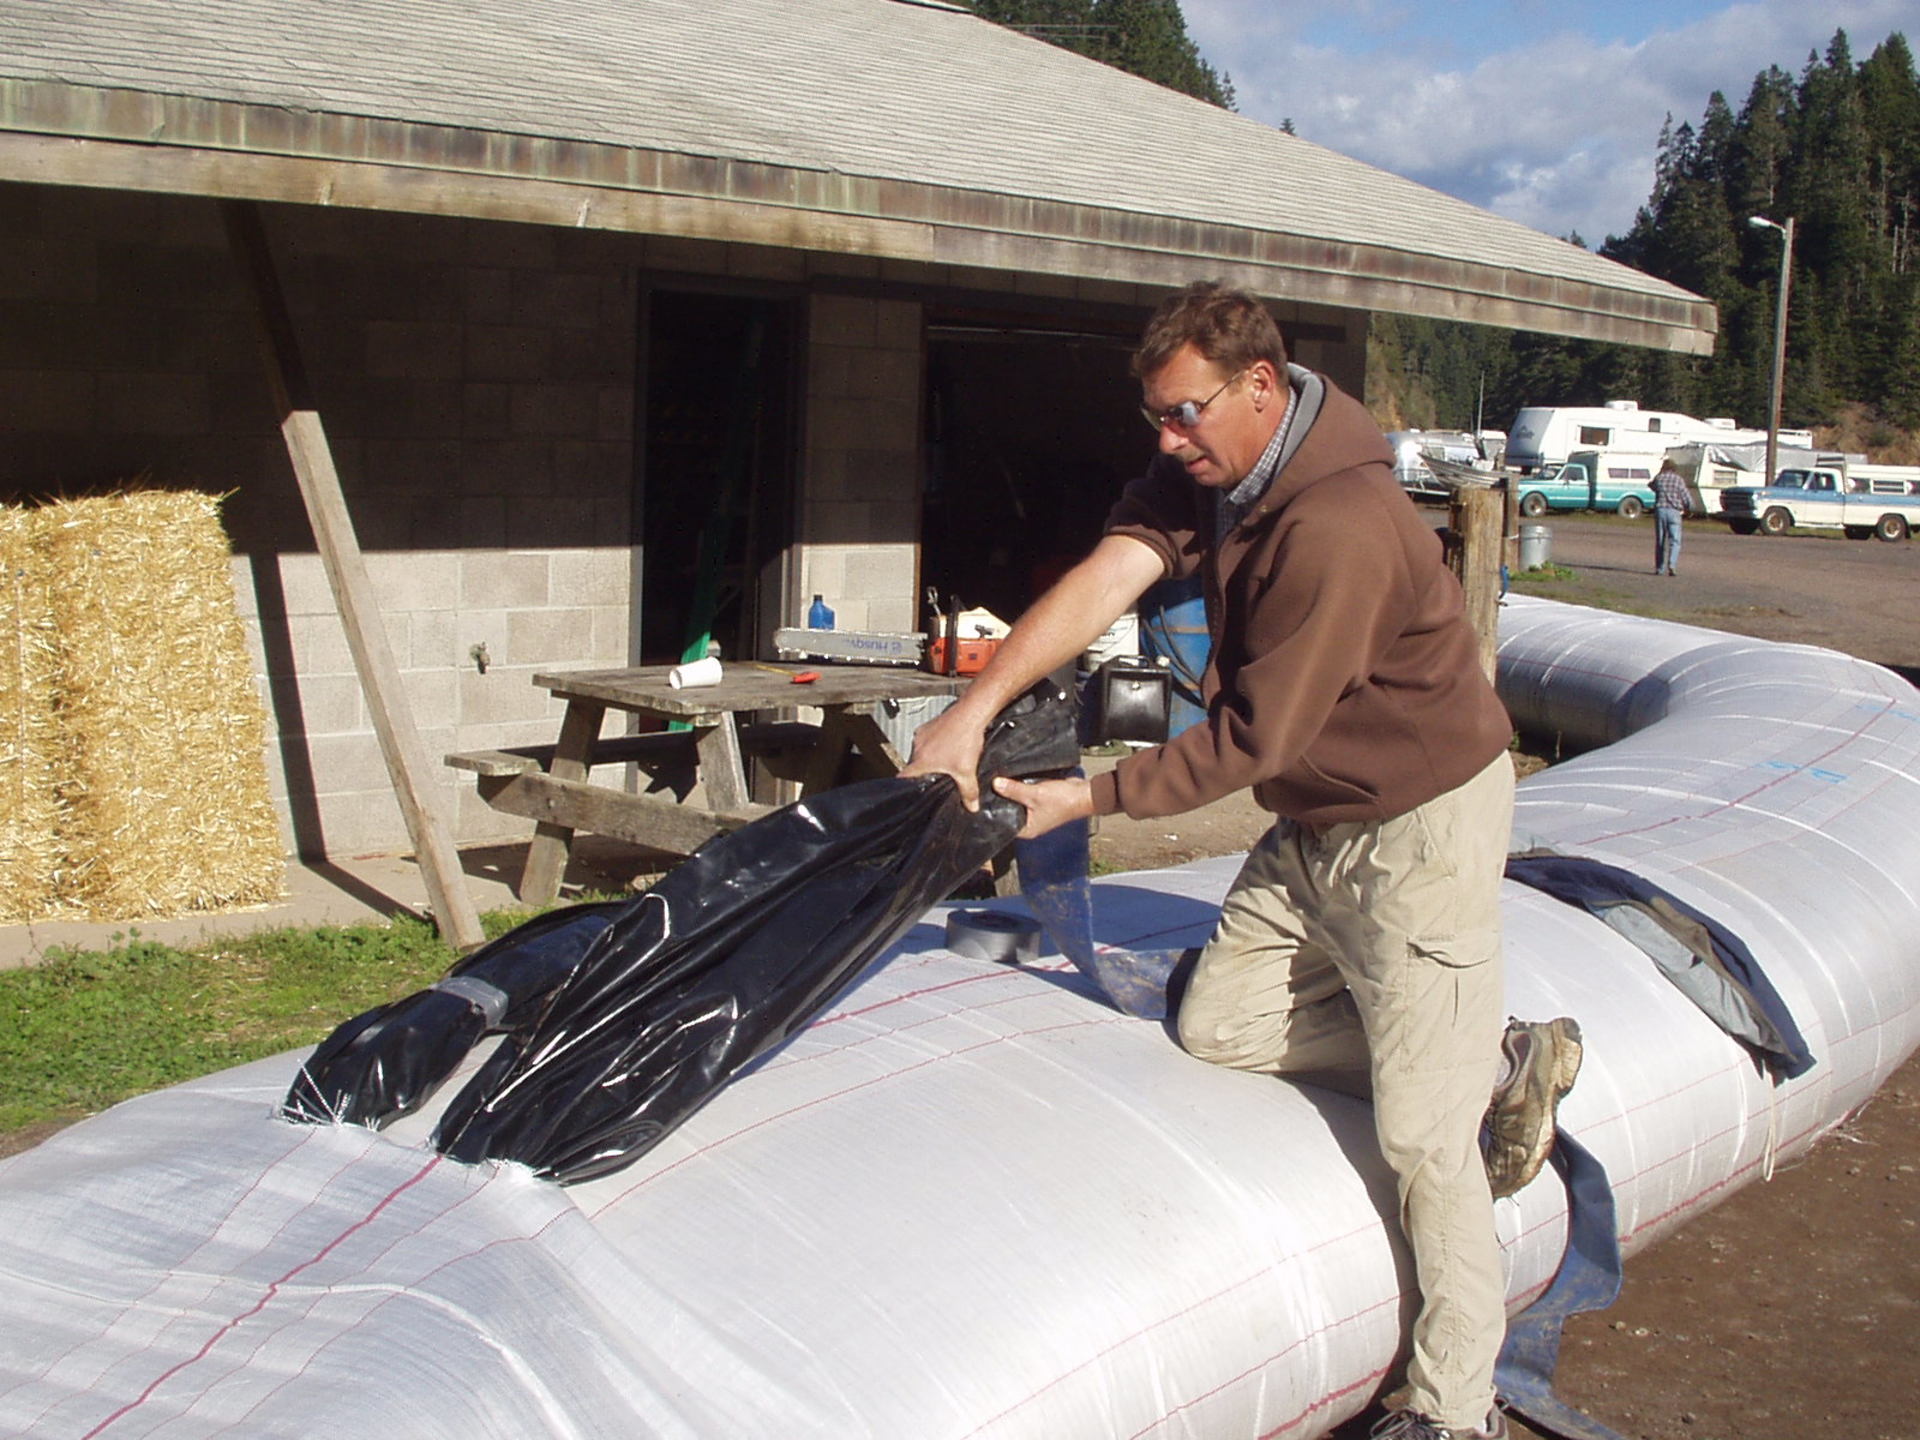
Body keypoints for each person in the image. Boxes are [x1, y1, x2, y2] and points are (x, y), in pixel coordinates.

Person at [905, 281, 1582, 1440]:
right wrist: (974, 711)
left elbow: (1255, 739)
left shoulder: (1341, 528)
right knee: (1215, 1025)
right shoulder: (1217, 470)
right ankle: (1492, 1053)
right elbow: (1111, 574)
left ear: (1260, 388)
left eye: (1185, 415)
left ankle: (1452, 1405)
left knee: (1425, 1137)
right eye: (1156, 420)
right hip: (1317, 821)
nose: (1168, 442)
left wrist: (1090, 801)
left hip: (1419, 824)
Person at [1652, 458, 1689, 575]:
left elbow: (1651, 485)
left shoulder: (1659, 478)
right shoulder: (1679, 480)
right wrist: (1689, 507)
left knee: (1660, 540)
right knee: (1675, 540)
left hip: (1660, 509)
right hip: (1674, 511)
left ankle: (1659, 568)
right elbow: (1685, 496)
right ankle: (1672, 564)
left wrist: (1659, 473)